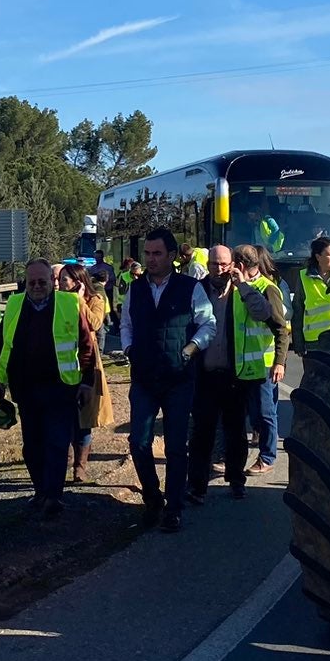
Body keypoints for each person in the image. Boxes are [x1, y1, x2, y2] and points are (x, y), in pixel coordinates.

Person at [119, 226, 215, 531]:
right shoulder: (135, 289)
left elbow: (208, 324)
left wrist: (190, 349)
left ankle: (173, 508)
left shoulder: (190, 287)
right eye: (147, 253)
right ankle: (152, 498)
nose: (151, 259)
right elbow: (126, 324)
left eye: (157, 253)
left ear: (172, 256)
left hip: (178, 379)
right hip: (145, 379)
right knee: (139, 442)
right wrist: (130, 349)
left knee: (175, 446)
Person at [0, 260, 98, 518]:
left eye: (42, 282)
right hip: (26, 389)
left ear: (52, 283)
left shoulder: (69, 303)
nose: (37, 287)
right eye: (32, 283)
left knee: (56, 442)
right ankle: (41, 491)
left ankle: (53, 496)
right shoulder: (14, 305)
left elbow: (87, 345)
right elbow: (3, 344)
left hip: (61, 387)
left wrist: (87, 381)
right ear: (25, 283)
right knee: (32, 447)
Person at [187, 246, 286, 502]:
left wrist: (242, 286)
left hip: (234, 375)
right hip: (205, 375)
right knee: (201, 432)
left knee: (235, 434)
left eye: (222, 264)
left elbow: (264, 314)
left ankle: (236, 480)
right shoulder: (198, 290)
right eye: (212, 264)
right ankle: (197, 487)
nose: (217, 269)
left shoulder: (241, 291)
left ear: (233, 265)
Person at [236, 244, 292, 473]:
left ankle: (268, 458)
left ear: (242, 266)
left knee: (265, 413)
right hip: (242, 364)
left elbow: (280, 328)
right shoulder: (236, 287)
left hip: (264, 363)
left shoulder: (267, 288)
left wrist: (279, 362)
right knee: (250, 414)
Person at [59, 265, 113, 480]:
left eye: (66, 279)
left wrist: (79, 299)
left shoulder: (95, 299)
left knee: (83, 418)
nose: (62, 283)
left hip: (86, 362)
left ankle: (80, 466)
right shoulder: (58, 300)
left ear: (78, 281)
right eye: (61, 278)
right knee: (64, 417)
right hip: (62, 363)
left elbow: (95, 323)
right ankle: (63, 462)